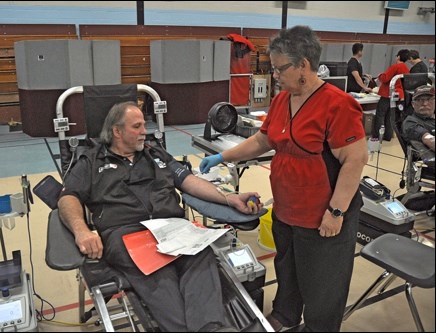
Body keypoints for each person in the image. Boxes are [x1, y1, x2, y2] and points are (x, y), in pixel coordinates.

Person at [200, 25, 368, 332]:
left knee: (322, 284)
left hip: (323, 218)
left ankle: (319, 327)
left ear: (303, 65)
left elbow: (355, 160)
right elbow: (264, 141)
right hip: (287, 210)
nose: (275, 75)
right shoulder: (282, 100)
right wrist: (223, 157)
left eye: (280, 69)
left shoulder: (337, 104)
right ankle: (285, 316)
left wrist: (336, 212)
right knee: (287, 271)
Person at [57, 101, 262, 332]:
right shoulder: (91, 162)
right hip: (127, 234)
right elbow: (67, 197)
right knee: (160, 272)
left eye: (144, 125)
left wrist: (228, 198)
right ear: (117, 131)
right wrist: (81, 230)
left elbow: (188, 181)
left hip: (173, 228)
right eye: (137, 126)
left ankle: (211, 328)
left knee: (201, 254)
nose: (145, 131)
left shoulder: (155, 154)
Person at [372, 49, 410, 141]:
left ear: (398, 57)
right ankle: (388, 136)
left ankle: (377, 136)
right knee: (390, 116)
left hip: (388, 94)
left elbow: (385, 78)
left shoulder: (395, 66)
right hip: (398, 95)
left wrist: (380, 75)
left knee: (380, 115)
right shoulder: (406, 68)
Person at [402, 85, 435, 164]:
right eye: (420, 100)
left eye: (429, 99)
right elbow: (429, 139)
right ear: (413, 104)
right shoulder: (410, 123)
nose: (425, 103)